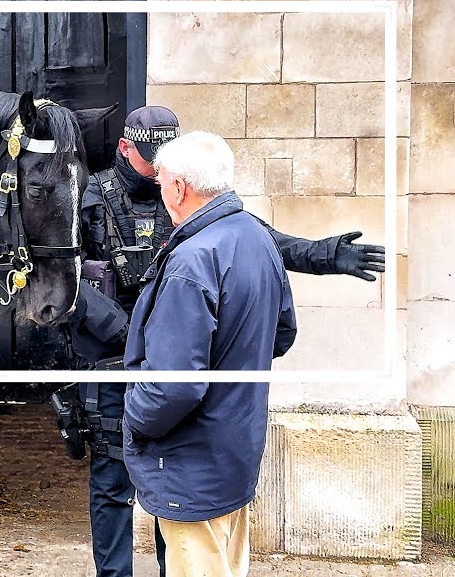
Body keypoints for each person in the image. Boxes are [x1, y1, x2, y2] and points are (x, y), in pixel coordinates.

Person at [58, 107, 385, 577]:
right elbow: (59, 273)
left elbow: (263, 241)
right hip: (115, 360)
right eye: (152, 161)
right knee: (113, 483)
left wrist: (326, 255)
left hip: (172, 364)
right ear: (125, 148)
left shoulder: (192, 201)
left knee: (172, 490)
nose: (159, 175)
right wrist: (126, 331)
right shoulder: (88, 197)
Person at [122, 131, 289, 577]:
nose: (158, 192)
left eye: (161, 182)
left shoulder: (193, 260)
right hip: (233, 448)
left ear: (180, 187)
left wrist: (133, 416)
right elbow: (283, 332)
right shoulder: (255, 236)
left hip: (190, 461)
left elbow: (172, 387)